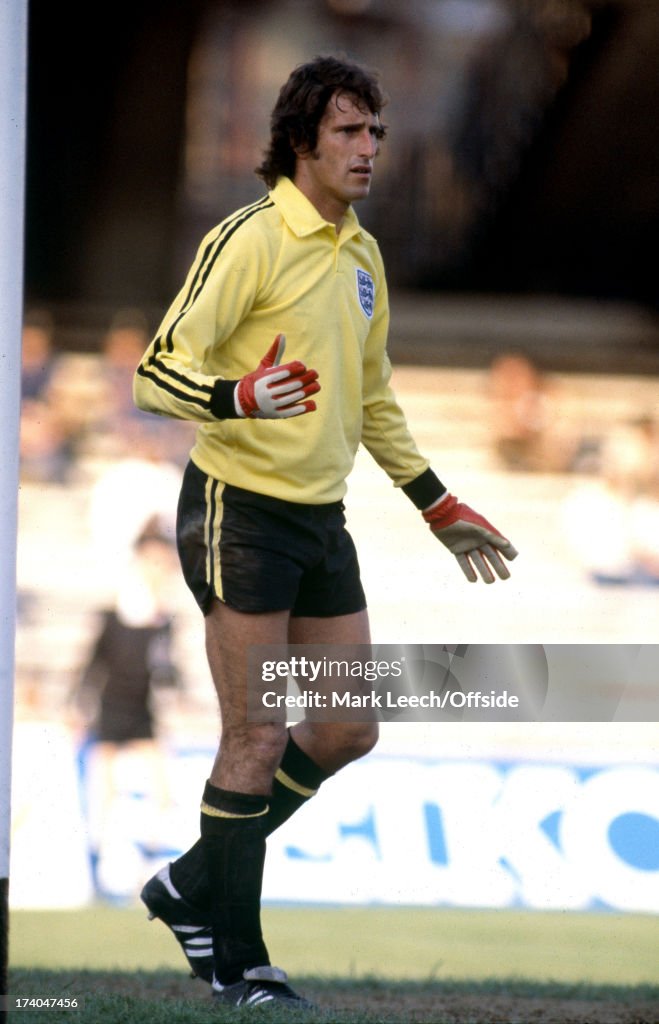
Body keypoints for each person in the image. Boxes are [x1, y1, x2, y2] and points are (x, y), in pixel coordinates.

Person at [134, 55, 518, 1011]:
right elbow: (153, 373)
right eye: (349, 131)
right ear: (301, 140)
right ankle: (239, 962)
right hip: (239, 510)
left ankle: (191, 881)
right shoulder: (249, 238)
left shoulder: (363, 253)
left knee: (348, 727)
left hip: (321, 518)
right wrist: (238, 395)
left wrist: (438, 504)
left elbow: (372, 399)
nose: (370, 149)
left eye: (377, 133)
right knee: (256, 734)